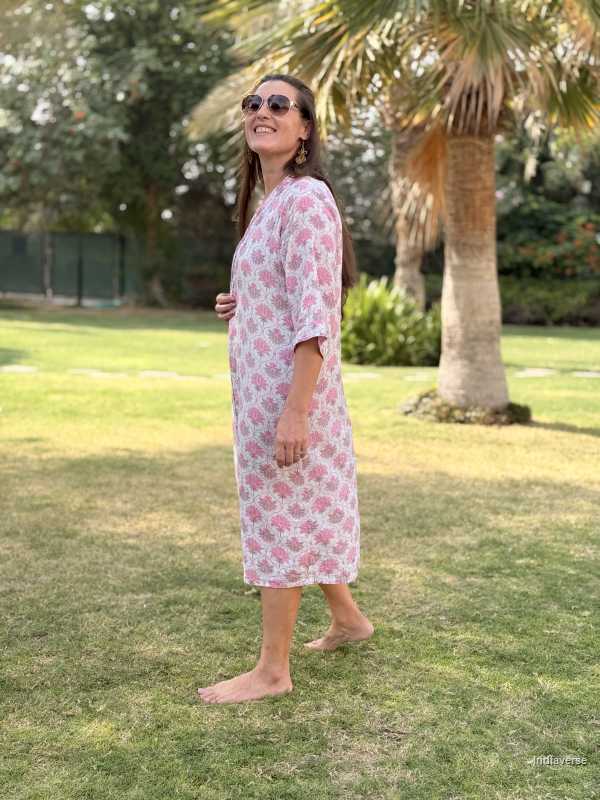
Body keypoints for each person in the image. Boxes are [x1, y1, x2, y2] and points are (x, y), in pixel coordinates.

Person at [198, 74, 373, 705]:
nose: (262, 111)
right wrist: (239, 304)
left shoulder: (304, 200)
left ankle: (272, 670)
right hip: (264, 392)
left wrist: (296, 411)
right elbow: (284, 291)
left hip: (289, 398)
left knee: (280, 518)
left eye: (280, 105)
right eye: (254, 104)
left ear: (303, 132)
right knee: (306, 510)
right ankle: (350, 620)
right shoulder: (271, 203)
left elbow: (316, 313)